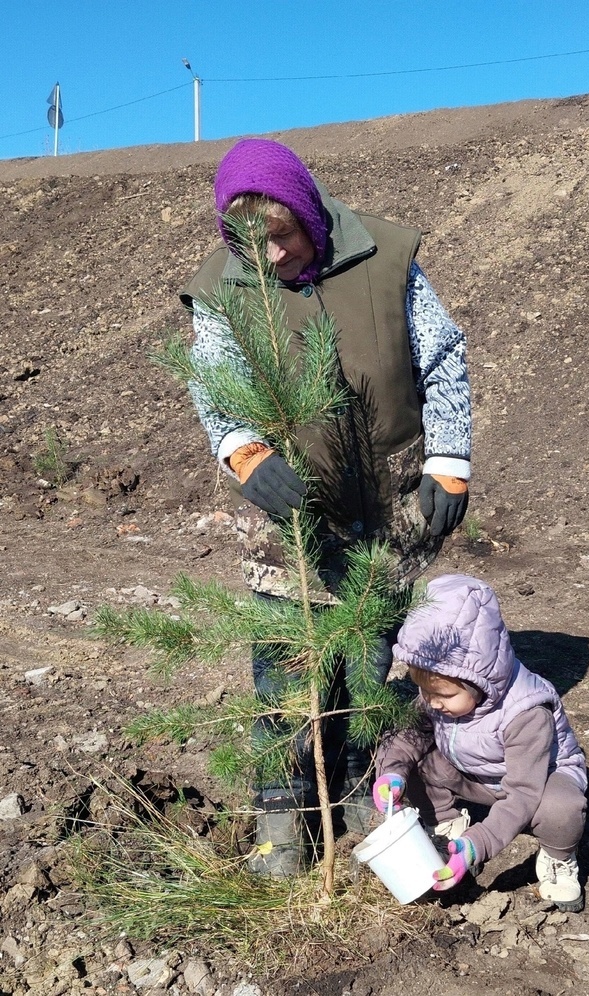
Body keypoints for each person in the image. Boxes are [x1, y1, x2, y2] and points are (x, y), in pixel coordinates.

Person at [178, 139, 472, 872]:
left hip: (387, 500)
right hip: (290, 514)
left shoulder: (384, 258)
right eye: (249, 242)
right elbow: (214, 387)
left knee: (371, 659)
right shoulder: (222, 286)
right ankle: (282, 826)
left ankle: (357, 799)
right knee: (285, 662)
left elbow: (442, 358)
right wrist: (246, 453)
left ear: (308, 212)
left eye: (281, 234)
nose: (269, 255)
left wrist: (451, 460)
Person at [372, 574, 588, 911]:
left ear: (477, 680)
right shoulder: (440, 694)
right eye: (424, 690)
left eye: (441, 694)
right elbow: (407, 736)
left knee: (561, 809)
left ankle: (559, 858)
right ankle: (447, 826)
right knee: (413, 759)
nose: (431, 701)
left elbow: (522, 794)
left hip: (536, 779)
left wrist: (480, 844)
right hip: (477, 771)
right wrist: (391, 774)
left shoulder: (526, 712)